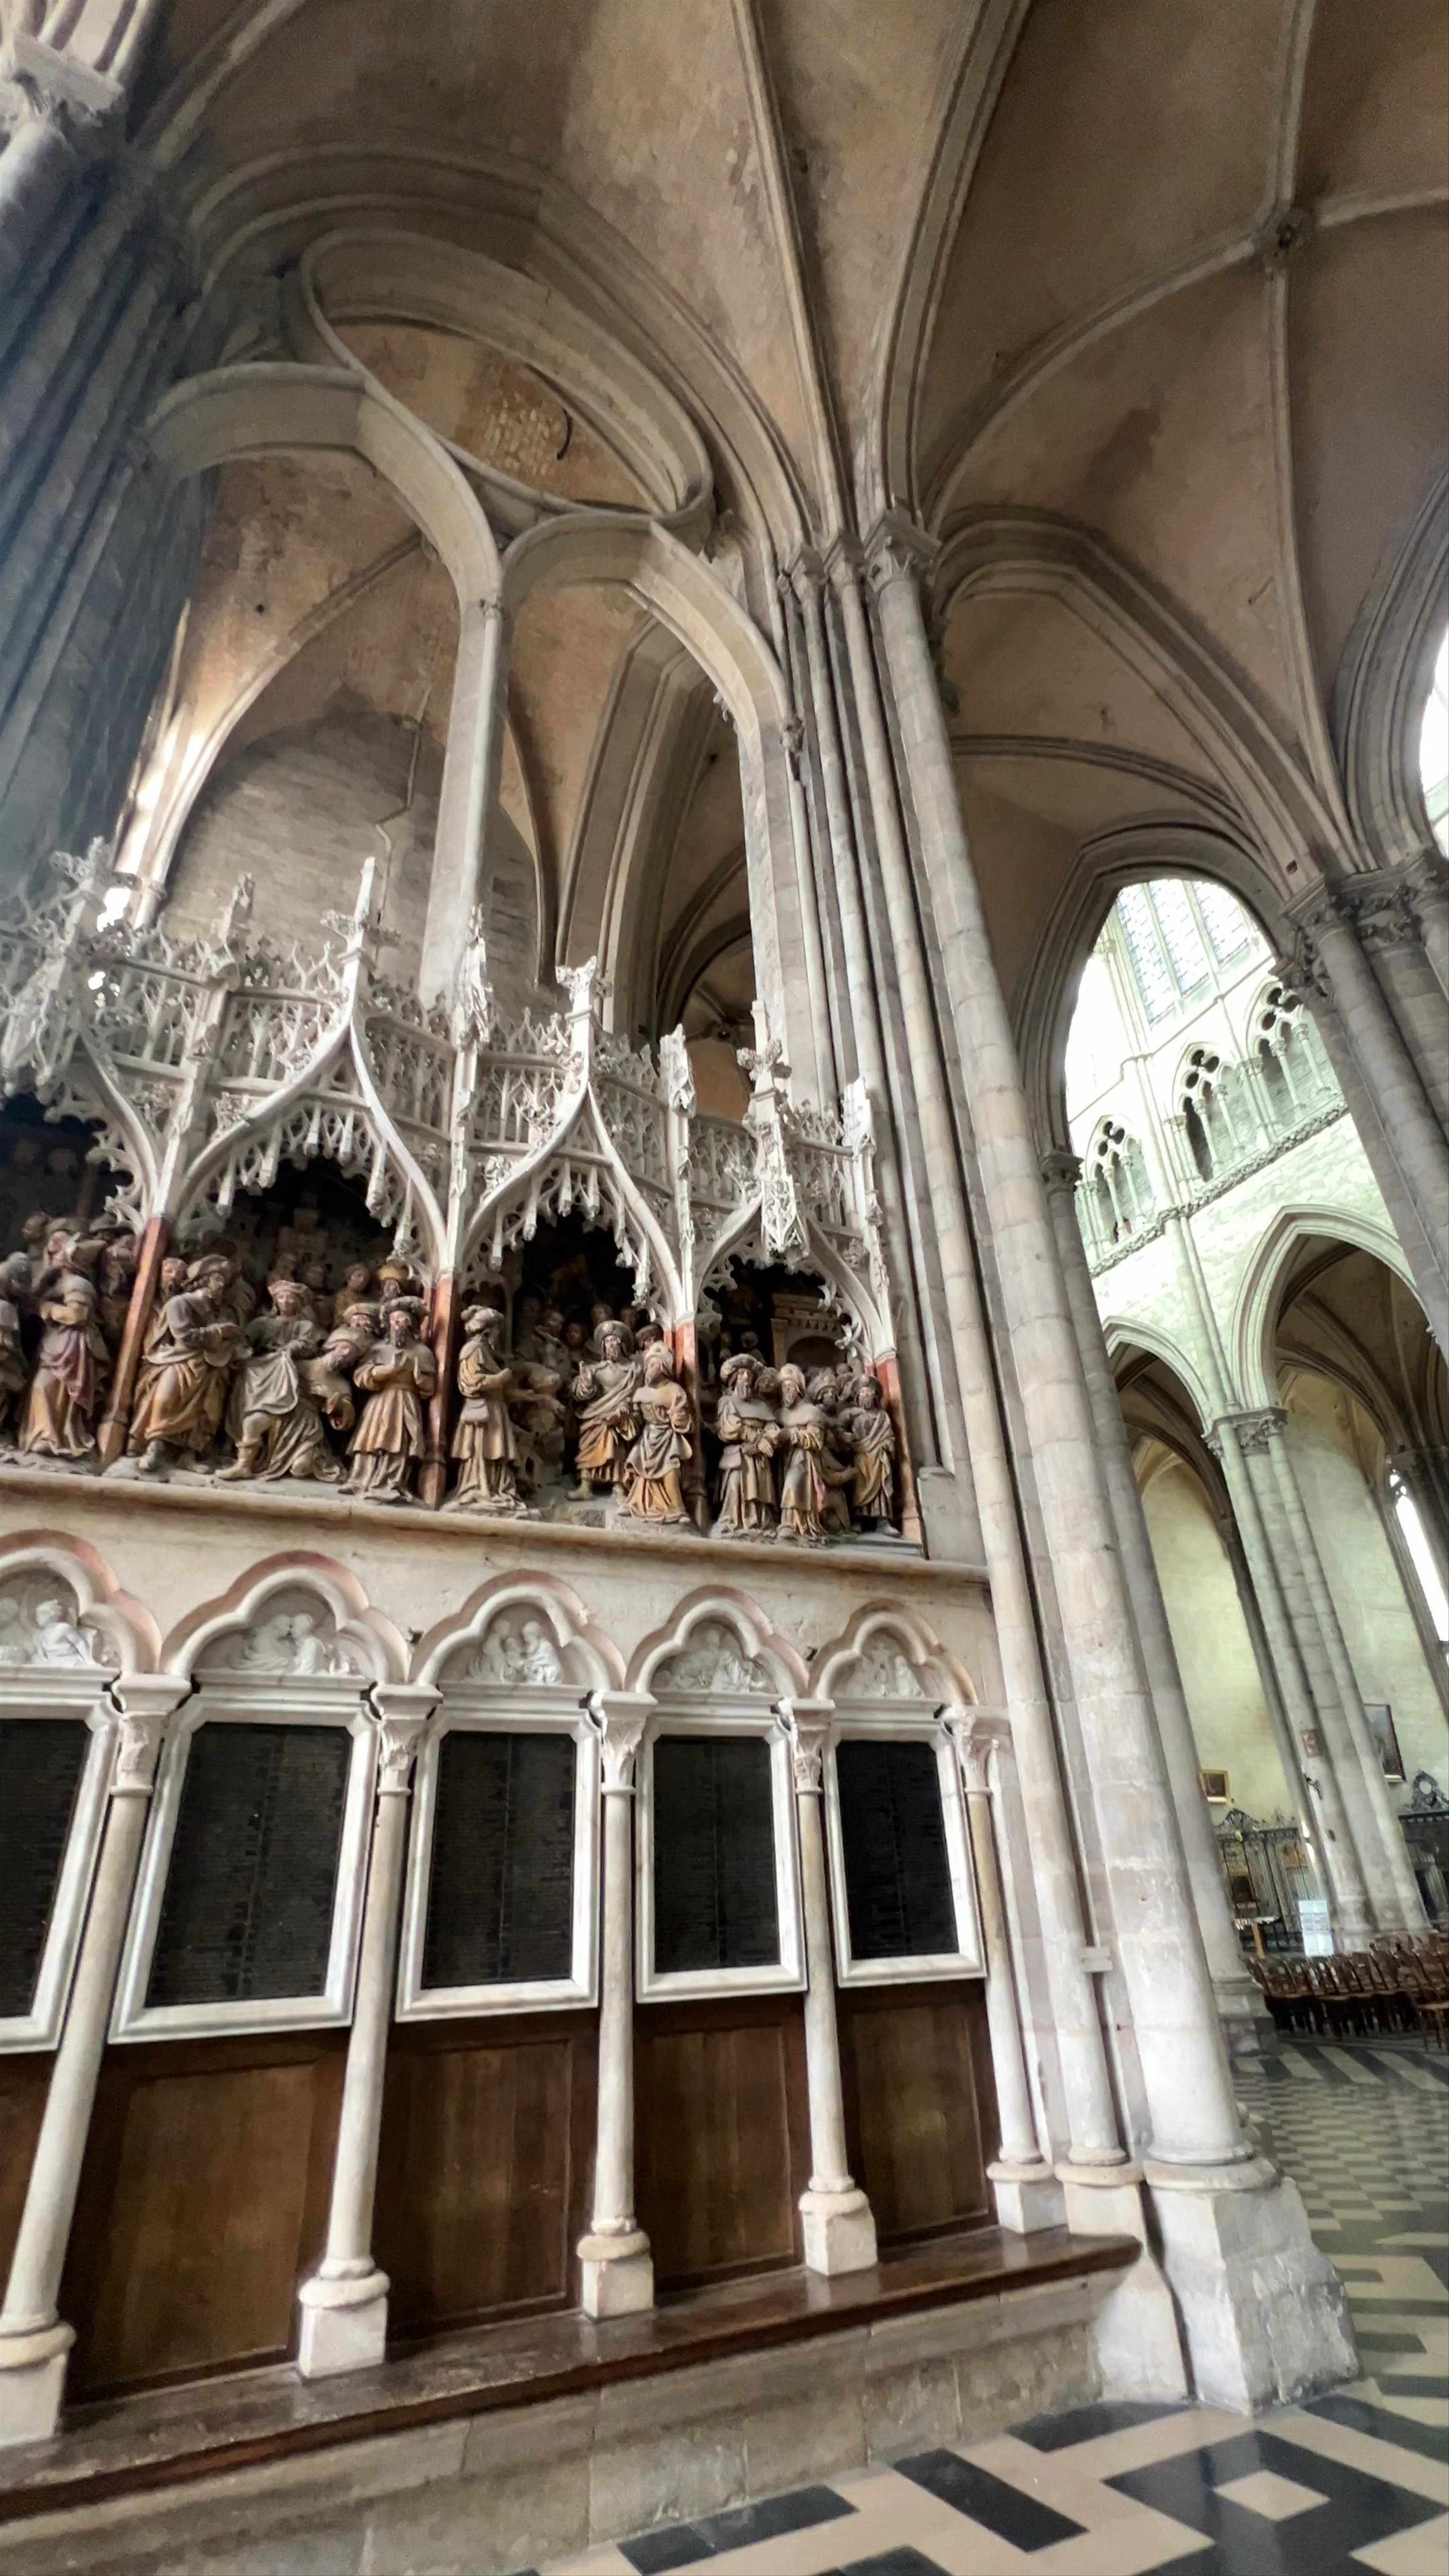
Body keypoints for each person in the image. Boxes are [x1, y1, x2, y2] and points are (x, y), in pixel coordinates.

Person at [217, 1276, 343, 1483]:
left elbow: (307, 1345)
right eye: (282, 1298)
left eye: (291, 1299)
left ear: (299, 1303)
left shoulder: (306, 1327)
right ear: (276, 1301)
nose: (286, 1302)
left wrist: (289, 1349)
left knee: (281, 1363)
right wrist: (244, 1351)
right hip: (260, 1369)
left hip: (285, 1370)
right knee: (248, 1378)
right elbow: (244, 1341)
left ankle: (279, 1403)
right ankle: (242, 1460)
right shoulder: (263, 1323)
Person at [128, 1254, 245, 1472]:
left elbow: (232, 1340)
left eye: (225, 1281)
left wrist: (236, 1347)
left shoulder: (225, 1311)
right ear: (203, 1280)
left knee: (207, 1411)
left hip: (213, 1367)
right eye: (218, 1279)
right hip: (179, 1359)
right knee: (167, 1399)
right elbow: (185, 1336)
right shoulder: (180, 1304)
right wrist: (219, 1331)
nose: (223, 1285)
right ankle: (155, 1448)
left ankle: (189, 1455)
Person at [346, 1298, 436, 1503]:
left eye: (402, 1320)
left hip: (406, 1399)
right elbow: (360, 1376)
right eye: (394, 1320)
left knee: (398, 1443)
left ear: (411, 1324)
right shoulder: (378, 1349)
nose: (397, 1324)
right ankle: (360, 1479)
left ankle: (392, 1482)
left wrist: (418, 1378)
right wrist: (386, 1371)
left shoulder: (423, 1353)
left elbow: (431, 1387)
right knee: (371, 1440)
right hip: (380, 1400)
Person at [20, 1276, 111, 1459]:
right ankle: (45, 1435)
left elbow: (77, 1315)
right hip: (57, 1344)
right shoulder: (54, 1283)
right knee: (41, 1387)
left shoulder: (78, 1283)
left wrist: (46, 1307)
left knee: (56, 1389)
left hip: (74, 1345)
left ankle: (59, 1438)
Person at [451, 1306, 519, 1512]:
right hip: (483, 1410)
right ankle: (478, 1487)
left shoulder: (486, 1351)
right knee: (481, 1450)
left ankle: (493, 1487)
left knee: (495, 1450)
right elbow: (470, 1382)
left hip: (493, 1407)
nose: (499, 1335)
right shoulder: (473, 1349)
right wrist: (499, 1379)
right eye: (498, 1330)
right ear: (488, 1331)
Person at [620, 1344, 693, 1524]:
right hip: (648, 1436)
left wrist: (678, 1416)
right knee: (641, 1468)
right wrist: (627, 1415)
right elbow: (637, 1419)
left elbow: (685, 1419)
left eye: (654, 1365)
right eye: (648, 1365)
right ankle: (635, 1504)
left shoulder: (675, 1390)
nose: (649, 1369)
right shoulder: (642, 1392)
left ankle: (677, 1508)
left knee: (671, 1467)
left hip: (667, 1436)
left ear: (663, 1368)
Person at [712, 1352, 779, 1537]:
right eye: (742, 1375)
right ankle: (732, 1522)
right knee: (736, 1487)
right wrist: (758, 1437)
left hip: (759, 1459)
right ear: (734, 1379)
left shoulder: (762, 1406)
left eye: (749, 1376)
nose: (746, 1379)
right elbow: (730, 1428)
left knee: (760, 1493)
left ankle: (759, 1525)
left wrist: (768, 1440)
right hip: (737, 1455)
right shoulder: (727, 1402)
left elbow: (773, 1428)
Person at [570, 1320, 640, 1496]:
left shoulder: (634, 1370)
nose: (611, 1345)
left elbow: (639, 1394)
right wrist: (585, 1383)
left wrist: (626, 1409)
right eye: (607, 1342)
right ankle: (586, 1486)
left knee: (616, 1443)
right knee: (589, 1440)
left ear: (622, 1344)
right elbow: (579, 1394)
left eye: (614, 1341)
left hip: (621, 1417)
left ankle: (618, 1487)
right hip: (596, 1414)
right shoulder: (595, 1369)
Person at [774, 1362, 830, 1545]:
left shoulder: (812, 1412)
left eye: (790, 1386)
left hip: (804, 1458)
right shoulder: (778, 1414)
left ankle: (793, 1524)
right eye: (783, 1387)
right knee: (784, 1483)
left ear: (799, 1388)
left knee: (794, 1481)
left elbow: (816, 1441)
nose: (787, 1391)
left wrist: (792, 1435)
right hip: (783, 1459)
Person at [846, 1372, 897, 1530]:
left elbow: (890, 1436)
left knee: (880, 1485)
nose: (865, 1395)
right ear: (857, 1396)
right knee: (858, 1485)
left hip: (878, 1455)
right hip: (860, 1455)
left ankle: (883, 1521)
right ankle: (858, 1520)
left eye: (868, 1392)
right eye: (862, 1392)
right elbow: (839, 1429)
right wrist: (845, 1437)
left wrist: (888, 1445)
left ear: (874, 1395)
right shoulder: (853, 1415)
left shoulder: (883, 1416)